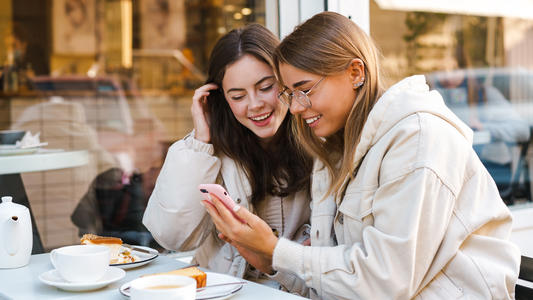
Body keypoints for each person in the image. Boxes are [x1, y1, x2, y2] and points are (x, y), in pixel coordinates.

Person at [202, 12, 521, 299]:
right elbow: (343, 283)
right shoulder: (334, 151)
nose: (296, 108)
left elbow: (386, 281)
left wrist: (278, 250)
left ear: (356, 72)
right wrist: (270, 261)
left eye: (306, 89)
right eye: (289, 94)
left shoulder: (418, 138)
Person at [142, 24, 313, 293]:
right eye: (238, 96)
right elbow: (173, 237)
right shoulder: (206, 150)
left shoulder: (318, 140)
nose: (255, 104)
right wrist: (200, 143)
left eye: (266, 87)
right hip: (224, 292)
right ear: (221, 98)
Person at [429, 67, 530, 201]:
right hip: (453, 174)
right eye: (442, 71)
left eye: (454, 70)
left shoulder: (487, 94)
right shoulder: (436, 97)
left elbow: (523, 130)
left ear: (465, 70)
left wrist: (484, 127)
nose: (447, 77)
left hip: (491, 172)